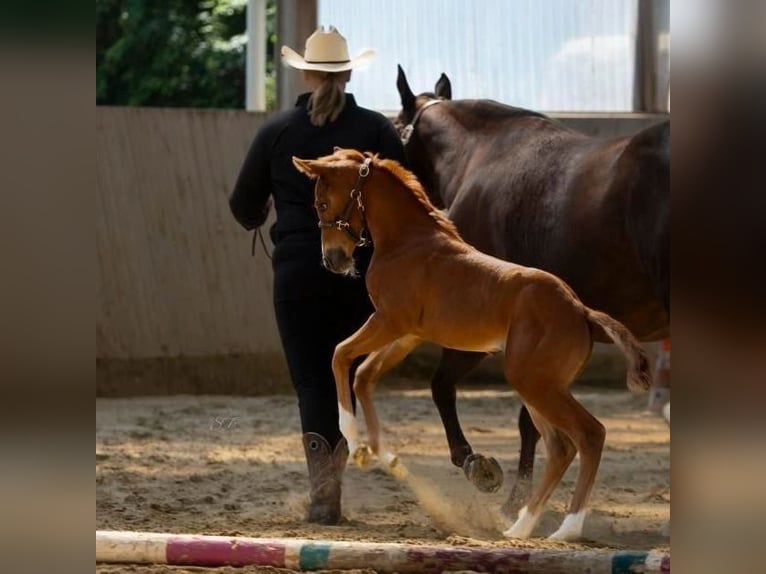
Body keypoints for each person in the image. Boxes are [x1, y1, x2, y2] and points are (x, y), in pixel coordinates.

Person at [228, 26, 406, 524]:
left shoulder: (277, 132)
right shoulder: (375, 131)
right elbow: (410, 197)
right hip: (362, 276)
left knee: (311, 381)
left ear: (306, 73)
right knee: (344, 371)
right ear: (348, 74)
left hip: (297, 273)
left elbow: (242, 206)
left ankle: (324, 494)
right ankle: (337, 480)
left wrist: (267, 208)